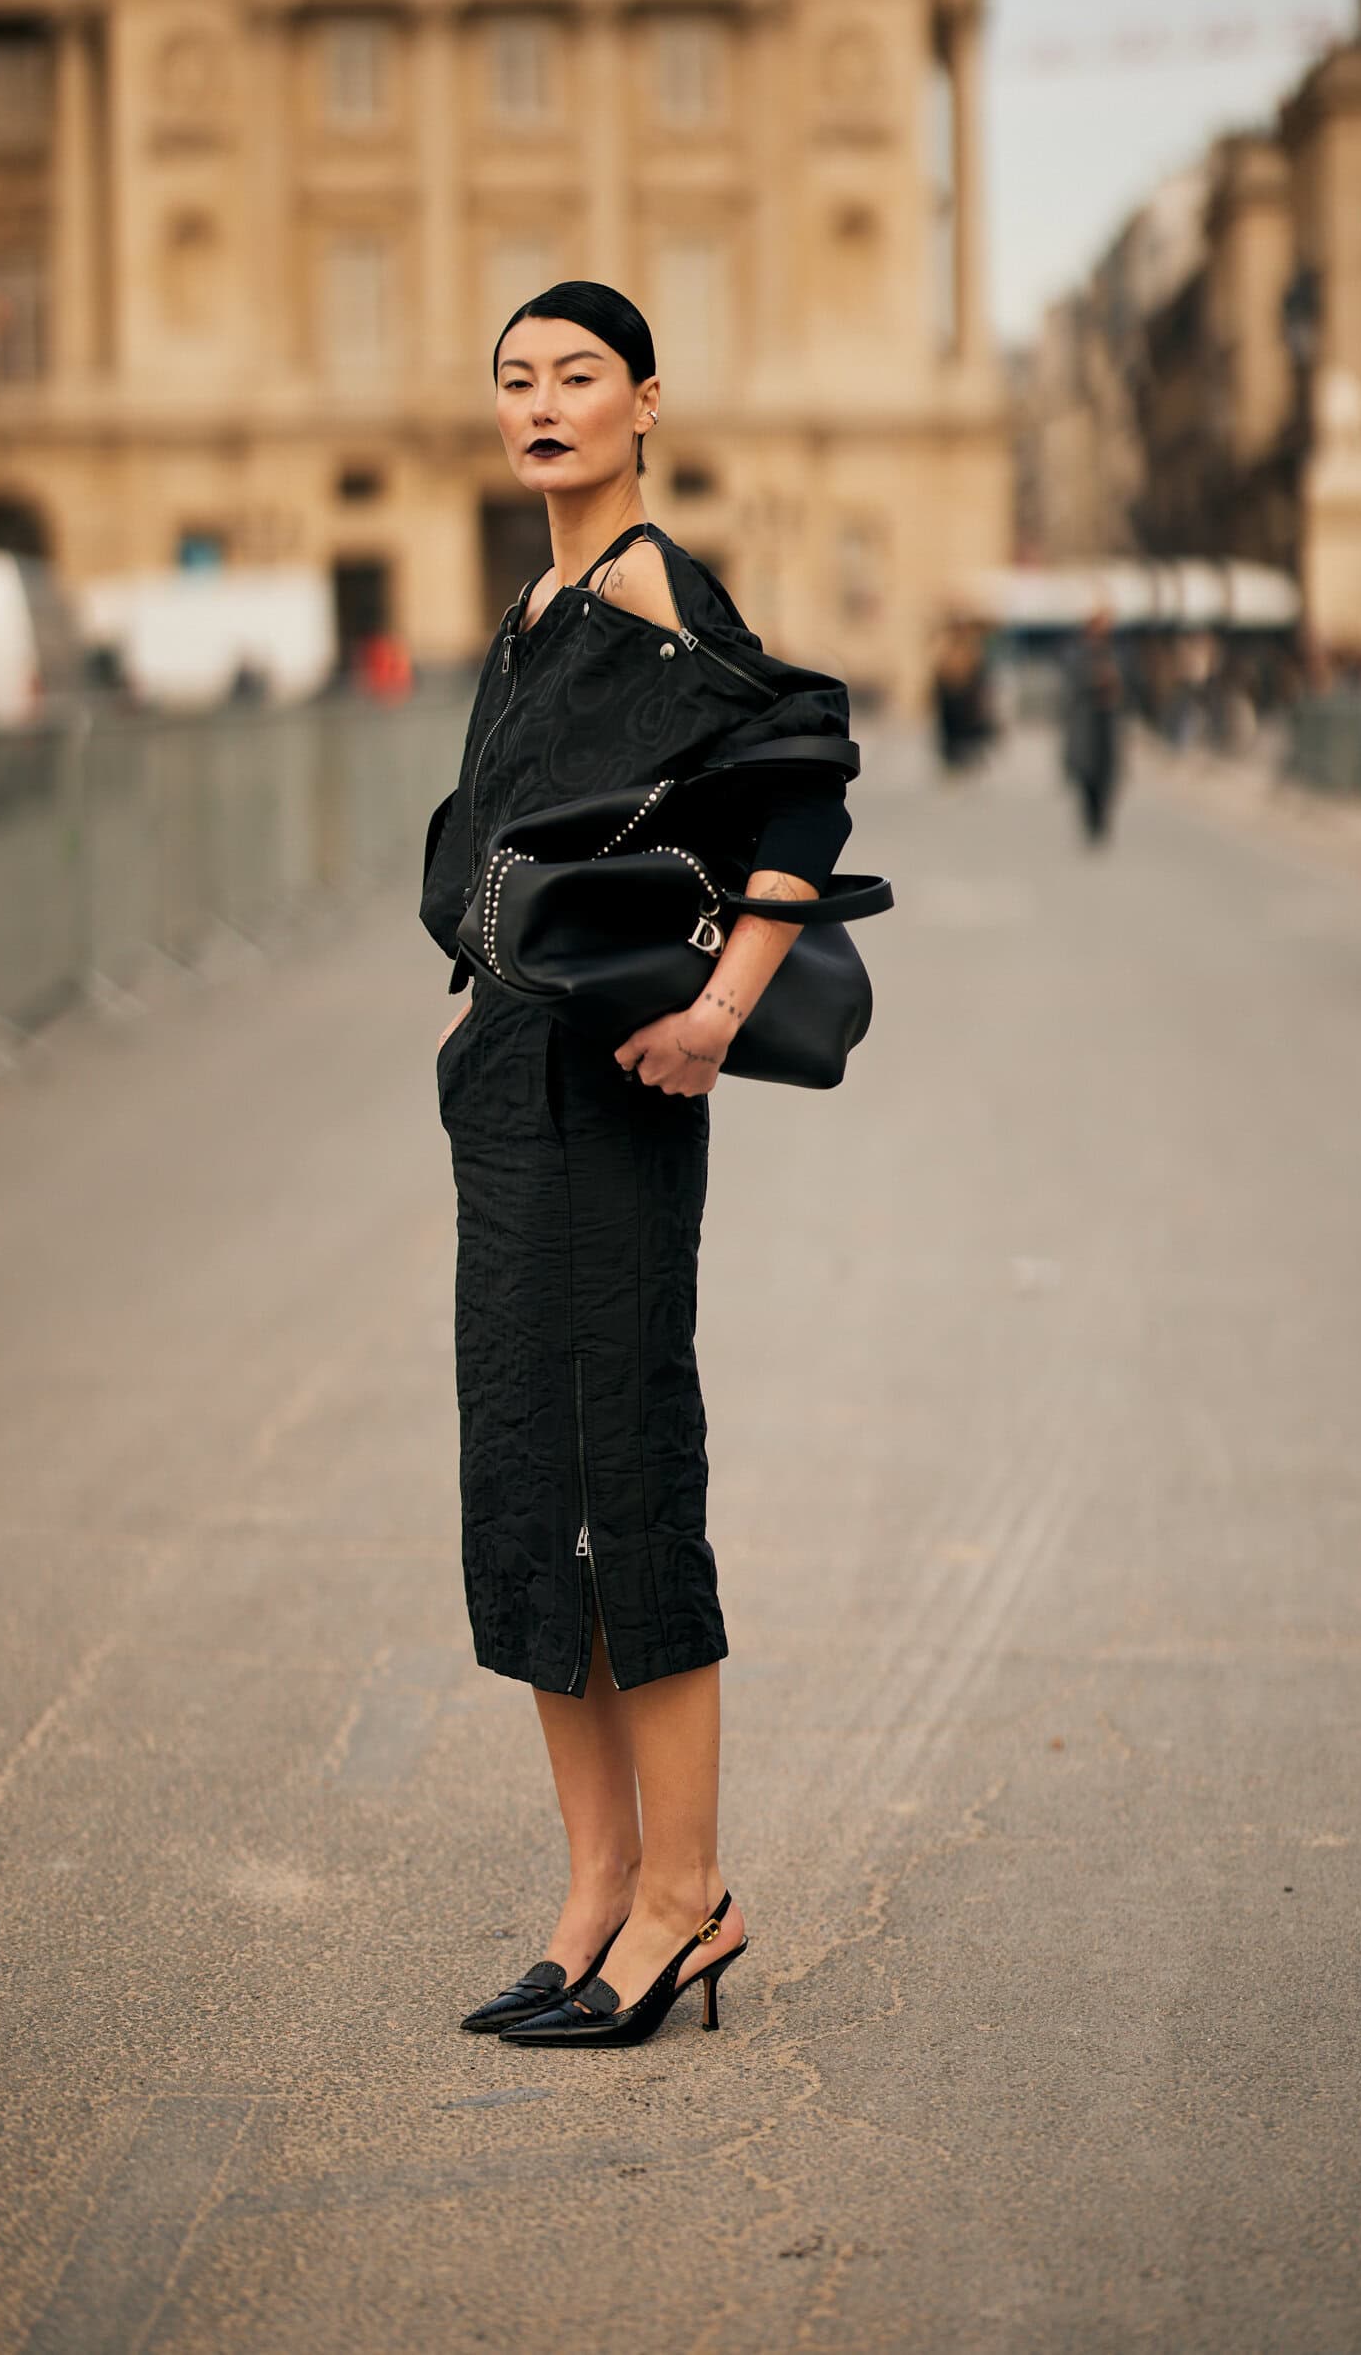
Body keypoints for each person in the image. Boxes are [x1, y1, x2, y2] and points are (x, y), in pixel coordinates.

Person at [418, 281, 853, 2048]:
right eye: (516, 379)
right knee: (528, 1489)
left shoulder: (657, 588)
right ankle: (594, 1889)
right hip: (507, 1090)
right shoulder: (531, 600)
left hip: (613, 1098)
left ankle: (690, 1900)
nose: (542, 404)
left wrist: (725, 1007)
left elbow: (801, 781)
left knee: (623, 1477)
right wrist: (464, 1013)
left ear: (644, 405)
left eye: (576, 377)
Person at [1062, 607, 1125, 843]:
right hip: (1087, 725)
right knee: (1087, 778)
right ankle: (1091, 824)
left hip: (1107, 724)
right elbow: (1072, 683)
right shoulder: (1078, 652)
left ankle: (1102, 823)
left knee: (1107, 778)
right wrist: (1094, 679)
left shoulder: (1115, 653)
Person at [930, 613, 990, 772]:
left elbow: (976, 677)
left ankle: (965, 759)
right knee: (952, 733)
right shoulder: (950, 650)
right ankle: (954, 760)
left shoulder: (970, 650)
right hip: (952, 698)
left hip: (964, 700)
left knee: (966, 733)